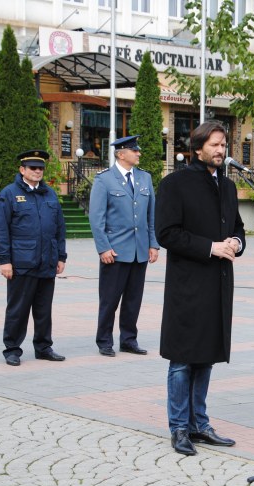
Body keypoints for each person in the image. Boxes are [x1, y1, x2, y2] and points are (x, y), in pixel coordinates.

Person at [155, 121, 245, 456]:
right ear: (197, 148)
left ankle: (199, 423)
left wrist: (236, 242)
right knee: (182, 359)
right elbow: (166, 233)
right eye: (215, 145)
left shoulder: (228, 186)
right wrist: (210, 247)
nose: (221, 150)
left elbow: (238, 227)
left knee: (206, 356)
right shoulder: (174, 184)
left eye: (223, 145)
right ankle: (179, 427)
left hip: (218, 284)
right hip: (187, 285)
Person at [0, 150, 67, 367]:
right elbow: (1, 229)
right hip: (22, 263)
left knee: (43, 310)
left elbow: (59, 228)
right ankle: (12, 349)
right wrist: (4, 260)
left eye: (41, 168)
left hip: (47, 261)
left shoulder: (50, 194)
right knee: (18, 309)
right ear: (22, 170)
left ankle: (43, 347)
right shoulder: (9, 194)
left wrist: (61, 256)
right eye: (33, 168)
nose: (37, 171)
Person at [89, 135, 159, 357]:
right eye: (134, 150)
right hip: (115, 251)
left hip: (139, 250)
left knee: (133, 300)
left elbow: (151, 215)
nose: (139, 153)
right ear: (121, 154)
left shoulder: (144, 178)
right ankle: (104, 341)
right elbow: (96, 218)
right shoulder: (104, 180)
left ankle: (128, 340)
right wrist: (103, 248)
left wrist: (153, 244)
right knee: (109, 300)